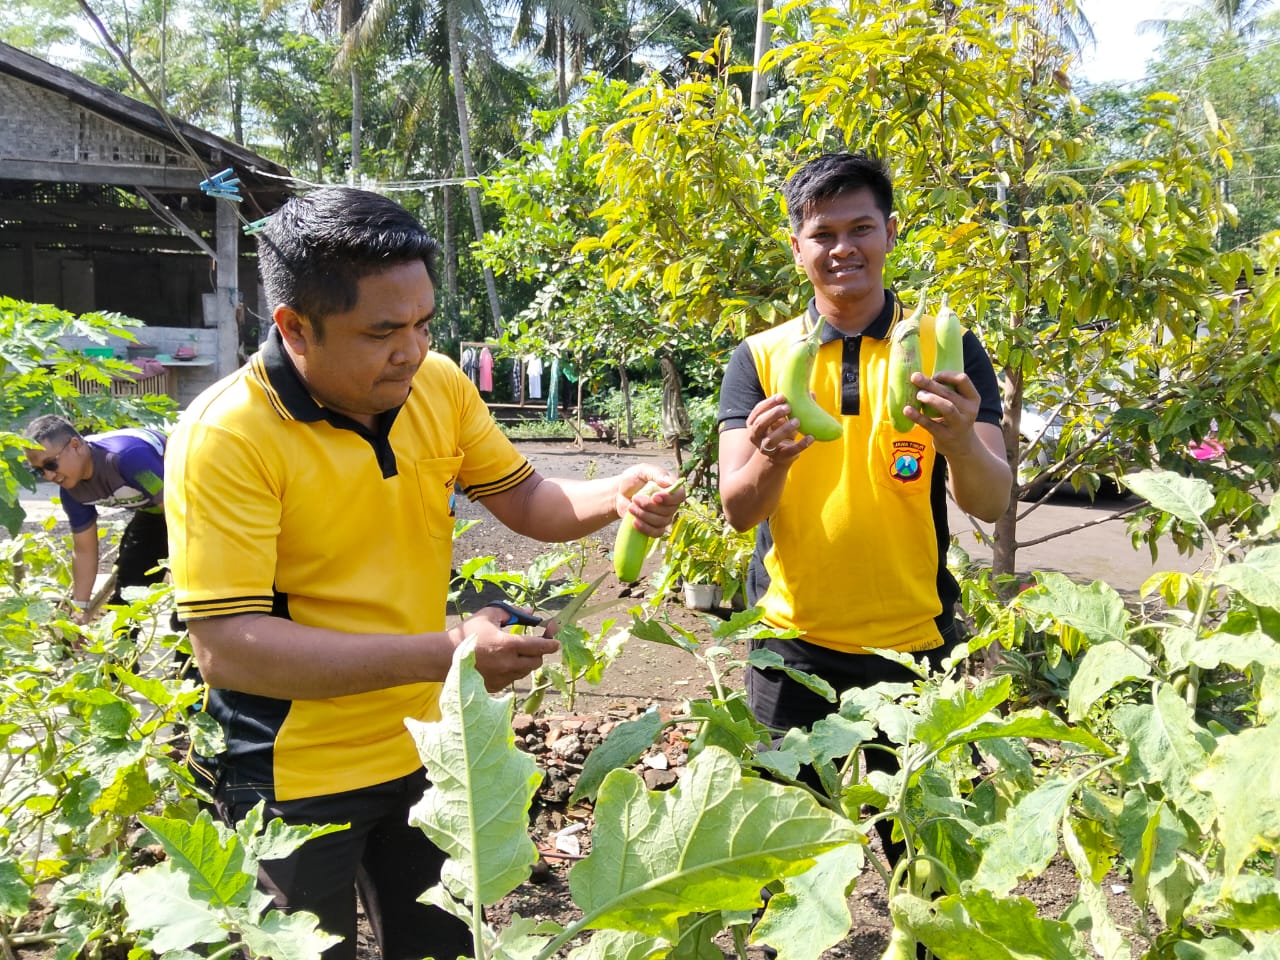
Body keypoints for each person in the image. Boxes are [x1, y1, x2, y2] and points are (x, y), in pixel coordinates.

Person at [164, 187, 684, 960]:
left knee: (442, 948)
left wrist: (619, 493)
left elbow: (529, 499)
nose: (410, 350)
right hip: (291, 774)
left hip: (427, 752)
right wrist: (448, 651)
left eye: (423, 323)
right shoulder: (228, 437)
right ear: (294, 327)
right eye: (382, 332)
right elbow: (231, 650)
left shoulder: (436, 385)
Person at [716, 152, 1011, 864]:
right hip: (790, 648)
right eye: (822, 234)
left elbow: (990, 500)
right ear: (797, 247)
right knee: (777, 865)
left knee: (933, 866)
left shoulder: (943, 348)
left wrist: (959, 441)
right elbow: (738, 510)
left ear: (890, 232)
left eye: (861, 228)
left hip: (914, 648)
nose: (842, 248)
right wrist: (772, 458)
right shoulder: (760, 358)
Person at [23, 414, 169, 624]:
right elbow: (84, 550)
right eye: (39, 471)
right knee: (127, 595)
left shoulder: (126, 458)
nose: (49, 476)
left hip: (195, 505)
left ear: (75, 445)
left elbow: (181, 513)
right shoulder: (71, 491)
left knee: (190, 606)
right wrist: (80, 609)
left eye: (51, 465)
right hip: (154, 511)